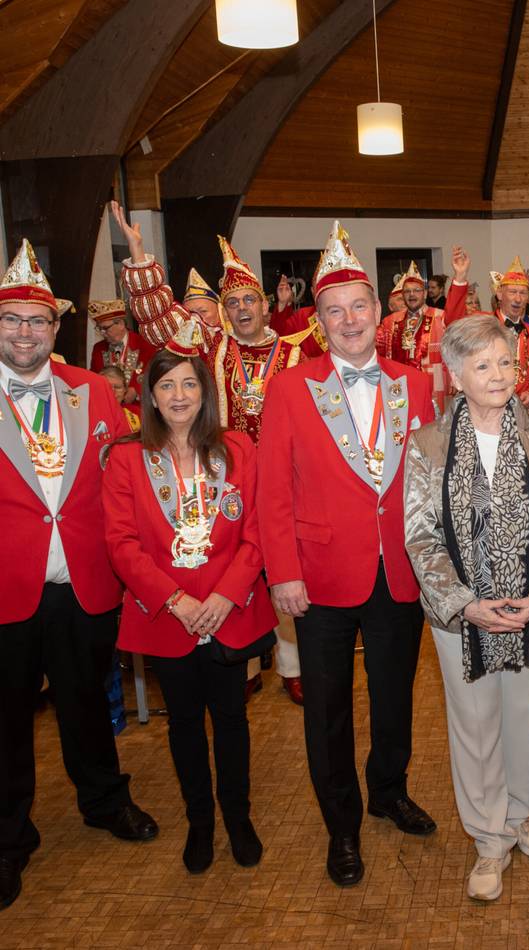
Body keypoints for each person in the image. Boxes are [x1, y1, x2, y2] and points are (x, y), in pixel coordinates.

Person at [257, 222, 437, 888]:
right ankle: (342, 824)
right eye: (335, 311)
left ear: (377, 309)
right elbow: (272, 489)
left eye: (360, 306)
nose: (351, 320)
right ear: (319, 321)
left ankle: (388, 790)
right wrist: (283, 572)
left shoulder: (414, 384)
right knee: (327, 709)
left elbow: (427, 481)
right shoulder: (289, 388)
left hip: (398, 569)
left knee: (394, 698)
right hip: (319, 574)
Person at [0, 240, 157, 912]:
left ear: (56, 328)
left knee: (88, 701)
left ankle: (103, 800)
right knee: (5, 719)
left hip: (84, 582)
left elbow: (121, 480)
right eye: (12, 320)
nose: (24, 333)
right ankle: (9, 837)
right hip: (6, 589)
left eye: (37, 321)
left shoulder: (92, 390)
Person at [403, 315, 529, 901]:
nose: (499, 374)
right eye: (482, 365)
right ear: (456, 376)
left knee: (521, 717)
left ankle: (517, 814)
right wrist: (464, 605)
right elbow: (420, 537)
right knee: (476, 726)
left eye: (505, 361)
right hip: (462, 617)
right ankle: (488, 837)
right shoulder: (428, 444)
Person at [112, 202, 309, 704]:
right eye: (233, 302)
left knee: (285, 578)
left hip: (284, 484)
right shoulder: (211, 346)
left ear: (265, 304)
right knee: (231, 574)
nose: (242, 309)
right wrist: (139, 256)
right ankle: (240, 668)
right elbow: (160, 321)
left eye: (249, 300)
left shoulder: (298, 352)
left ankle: (294, 667)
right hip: (226, 483)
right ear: (224, 310)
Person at [103, 337, 276, 874]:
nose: (178, 395)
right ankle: (200, 822)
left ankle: (239, 818)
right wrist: (176, 600)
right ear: (150, 395)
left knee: (232, 720)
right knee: (182, 723)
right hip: (166, 615)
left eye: (188, 383)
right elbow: (121, 544)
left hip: (229, 609)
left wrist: (224, 595)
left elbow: (257, 531)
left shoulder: (238, 449)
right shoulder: (127, 458)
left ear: (205, 392)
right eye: (166, 385)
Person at [445, 248, 529, 409]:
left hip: (518, 411)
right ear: (499, 294)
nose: (518, 299)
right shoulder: (483, 322)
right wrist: (460, 277)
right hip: (484, 406)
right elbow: (452, 321)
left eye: (523, 293)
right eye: (512, 292)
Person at [376, 260, 447, 410]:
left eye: (416, 290)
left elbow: (454, 352)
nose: (412, 295)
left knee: (432, 423)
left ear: (425, 293)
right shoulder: (390, 321)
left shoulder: (440, 317)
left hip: (433, 384)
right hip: (400, 388)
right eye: (407, 291)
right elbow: (376, 349)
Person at [88, 298, 156, 404]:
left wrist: (137, 391)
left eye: (105, 328)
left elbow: (156, 376)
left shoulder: (144, 344)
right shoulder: (98, 348)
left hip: (138, 410)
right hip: (107, 408)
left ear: (120, 324)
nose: (102, 333)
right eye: (99, 329)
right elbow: (93, 380)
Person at [99, 366, 141, 432]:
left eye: (117, 387)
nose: (112, 392)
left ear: (125, 390)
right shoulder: (88, 412)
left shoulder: (137, 413)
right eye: (107, 386)